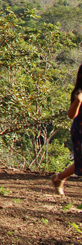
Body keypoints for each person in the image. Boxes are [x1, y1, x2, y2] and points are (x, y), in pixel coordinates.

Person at [52, 63, 82, 195]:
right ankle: (59, 178)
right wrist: (78, 102)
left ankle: (59, 178)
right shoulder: (79, 93)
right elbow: (71, 115)